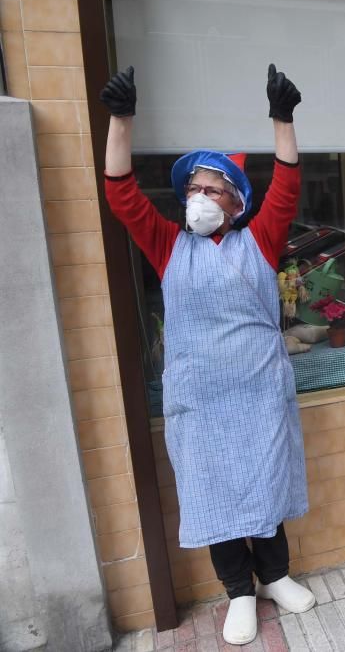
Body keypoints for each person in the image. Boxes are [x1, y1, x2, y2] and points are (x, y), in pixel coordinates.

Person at [99, 64, 315, 645]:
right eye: (192, 188)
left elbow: (288, 184)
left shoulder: (260, 239)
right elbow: (120, 193)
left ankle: (275, 576)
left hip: (258, 392)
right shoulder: (167, 244)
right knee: (215, 493)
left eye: (212, 188)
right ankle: (239, 593)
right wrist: (121, 120)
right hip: (200, 400)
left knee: (265, 484)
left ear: (236, 202)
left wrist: (283, 120)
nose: (198, 197)